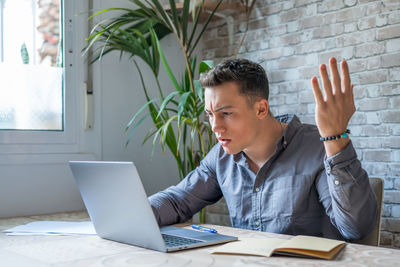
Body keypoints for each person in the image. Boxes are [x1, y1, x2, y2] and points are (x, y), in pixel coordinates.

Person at [149, 57, 378, 241]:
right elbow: (177, 200)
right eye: (210, 115)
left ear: (260, 109)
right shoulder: (221, 156)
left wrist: (335, 138)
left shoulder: (318, 148)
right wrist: (130, 214)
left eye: (226, 114)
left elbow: (356, 229)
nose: (215, 126)